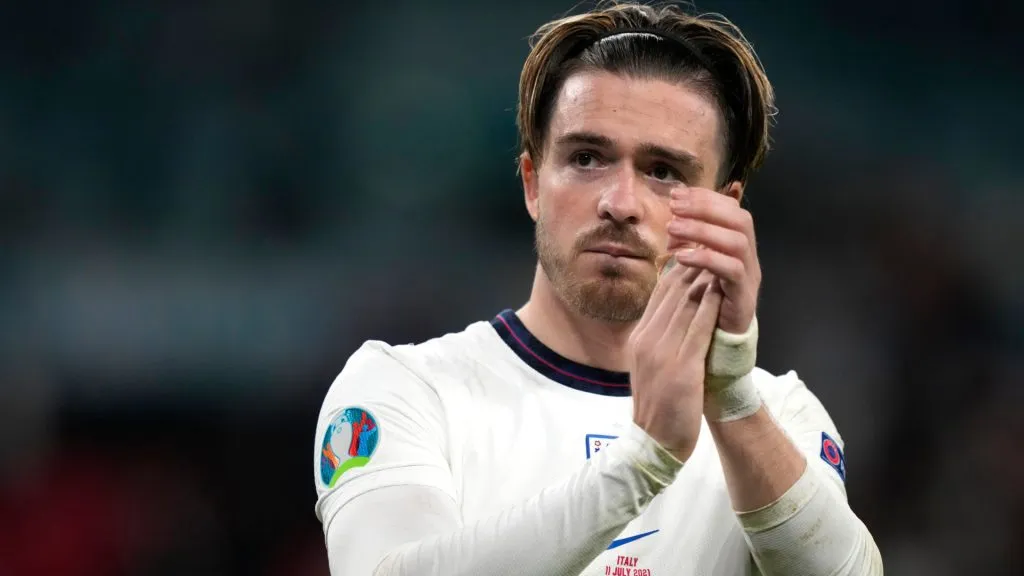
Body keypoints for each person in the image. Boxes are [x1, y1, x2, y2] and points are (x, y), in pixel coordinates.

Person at [312, 2, 883, 574]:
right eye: (587, 158)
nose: (620, 203)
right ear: (533, 183)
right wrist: (642, 461)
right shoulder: (407, 390)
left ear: (724, 211)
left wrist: (731, 400)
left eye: (663, 171)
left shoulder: (781, 415)